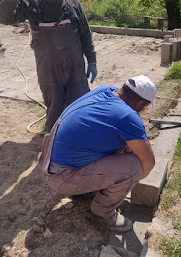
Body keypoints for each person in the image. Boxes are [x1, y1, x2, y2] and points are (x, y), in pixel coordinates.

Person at [41, 75, 156, 232]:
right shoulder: (128, 116)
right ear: (139, 102)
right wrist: (130, 180)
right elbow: (148, 163)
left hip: (52, 162)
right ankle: (103, 213)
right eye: (145, 107)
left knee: (122, 147)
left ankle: (86, 189)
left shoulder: (106, 90)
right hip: (62, 177)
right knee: (134, 166)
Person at [0, 0, 97, 132]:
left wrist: (92, 61)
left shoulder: (73, 3)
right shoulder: (30, 2)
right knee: (54, 108)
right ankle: (53, 136)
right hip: (48, 69)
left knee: (80, 105)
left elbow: (85, 35)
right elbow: (3, 19)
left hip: (75, 67)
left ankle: (79, 135)